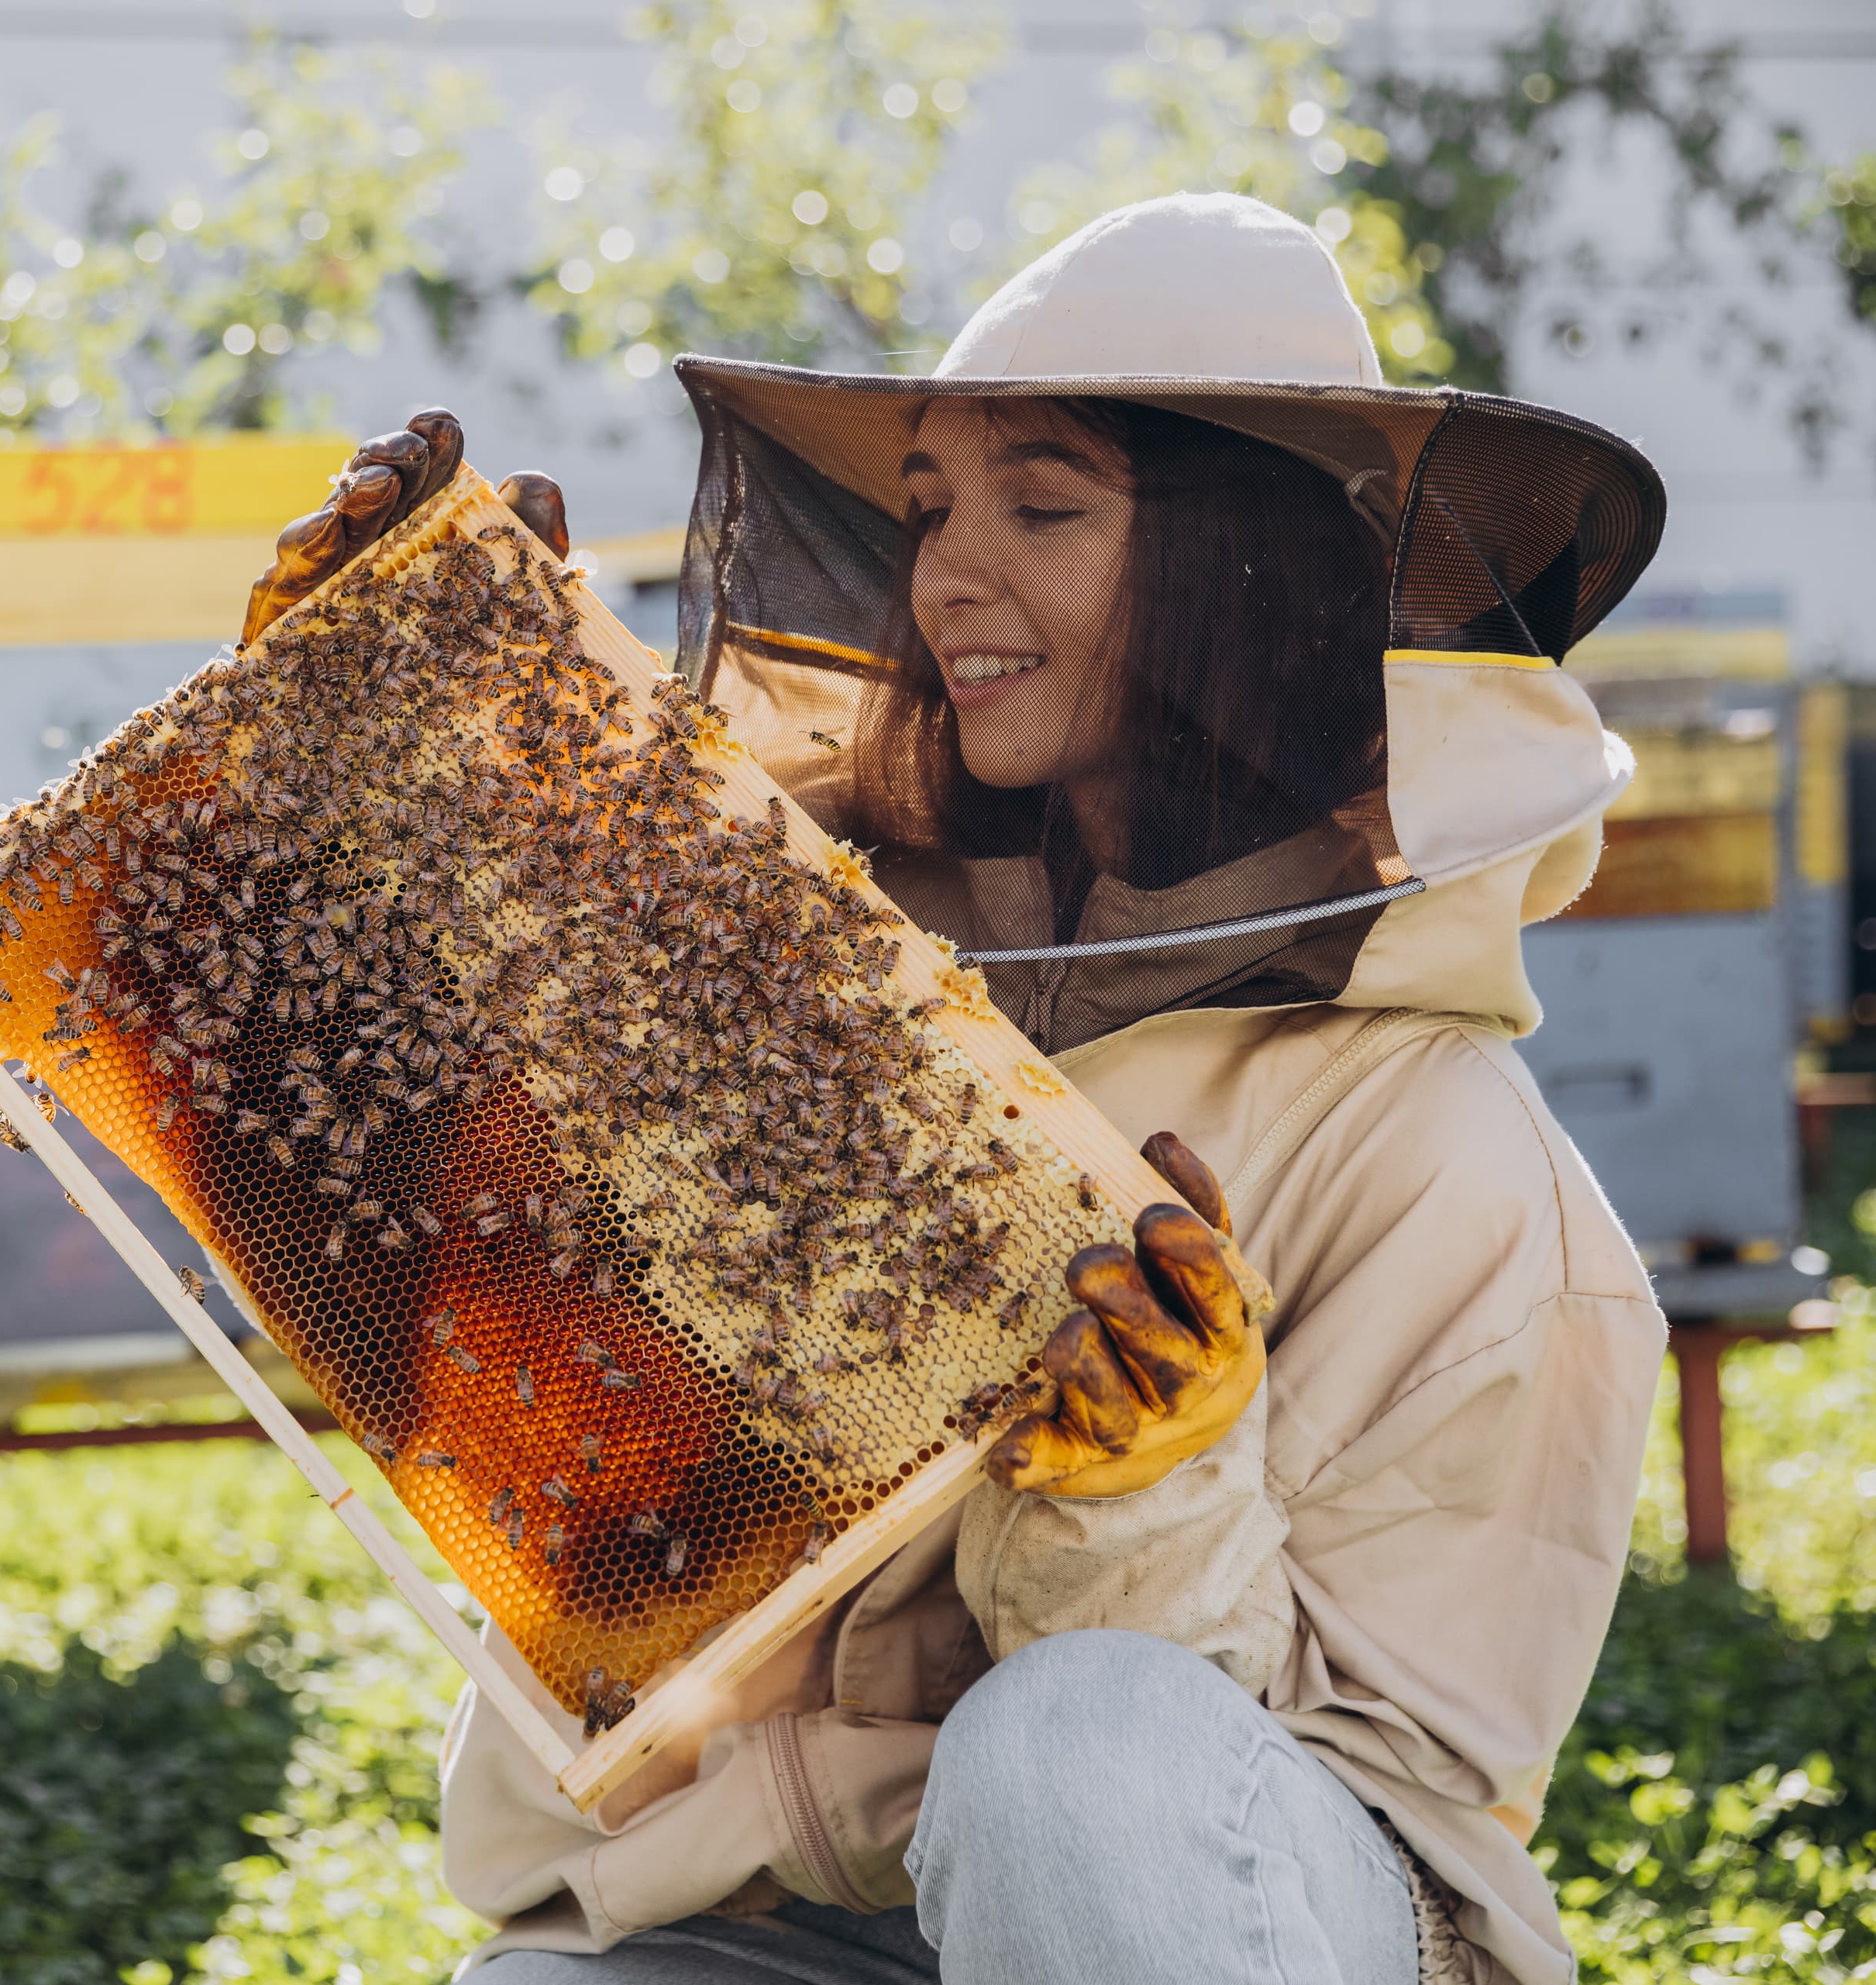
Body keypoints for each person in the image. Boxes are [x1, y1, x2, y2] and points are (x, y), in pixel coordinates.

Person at [244, 194, 1668, 1985]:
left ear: (1251, 567)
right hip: (809, 1904)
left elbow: (1226, 1811)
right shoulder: (844, 991)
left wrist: (1135, 1482)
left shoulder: (1450, 1163)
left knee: (1069, 1749)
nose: (946, 579)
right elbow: (513, 1253)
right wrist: (393, 761)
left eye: (1044, 505)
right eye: (928, 510)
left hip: (1256, 1922)